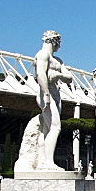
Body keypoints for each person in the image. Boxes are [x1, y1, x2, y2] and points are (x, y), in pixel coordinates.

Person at [34, 30, 73, 170]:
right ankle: (48, 162)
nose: (60, 47)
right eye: (59, 43)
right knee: (56, 127)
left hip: (55, 95)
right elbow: (40, 74)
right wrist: (45, 94)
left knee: (46, 129)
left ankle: (41, 161)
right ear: (54, 41)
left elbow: (69, 77)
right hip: (47, 93)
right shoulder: (42, 55)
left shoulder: (58, 61)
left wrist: (56, 74)